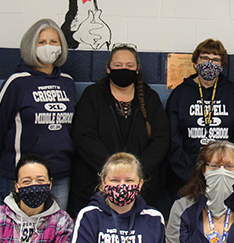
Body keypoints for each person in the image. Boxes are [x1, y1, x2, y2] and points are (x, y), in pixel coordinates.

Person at [70, 44, 170, 216]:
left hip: (140, 188)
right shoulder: (92, 95)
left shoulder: (149, 97)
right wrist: (112, 171)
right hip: (96, 186)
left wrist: (135, 172)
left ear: (137, 69)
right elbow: (83, 136)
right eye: (118, 65)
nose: (124, 69)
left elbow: (161, 139)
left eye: (129, 66)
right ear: (108, 69)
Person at [0, 18, 76, 210]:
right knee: (17, 233)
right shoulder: (17, 82)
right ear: (31, 46)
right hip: (23, 176)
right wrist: (15, 165)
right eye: (41, 42)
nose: (48, 47)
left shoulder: (67, 82)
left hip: (60, 175)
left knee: (56, 232)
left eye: (54, 42)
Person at [167, 38, 234, 186]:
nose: (210, 63)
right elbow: (173, 138)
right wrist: (189, 173)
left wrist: (227, 168)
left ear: (222, 65)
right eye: (204, 58)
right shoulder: (180, 93)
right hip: (186, 174)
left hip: (224, 173)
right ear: (195, 62)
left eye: (216, 59)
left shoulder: (233, 92)